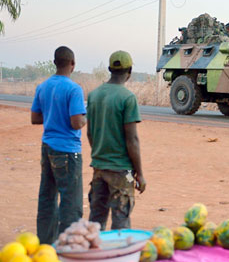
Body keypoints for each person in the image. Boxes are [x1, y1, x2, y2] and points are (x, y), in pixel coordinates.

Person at [31, 46, 87, 244]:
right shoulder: (74, 89)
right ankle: (68, 247)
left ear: (55, 63)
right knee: (71, 202)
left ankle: (46, 244)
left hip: (48, 147)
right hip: (68, 151)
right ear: (72, 64)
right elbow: (76, 122)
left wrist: (52, 115)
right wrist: (85, 117)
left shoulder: (43, 87)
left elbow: (35, 118)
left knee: (47, 197)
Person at [87, 50, 146, 230]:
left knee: (96, 221)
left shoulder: (94, 95)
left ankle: (93, 256)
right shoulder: (127, 98)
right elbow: (132, 139)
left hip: (99, 167)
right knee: (121, 221)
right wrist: (139, 173)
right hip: (122, 171)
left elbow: (90, 133)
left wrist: (101, 154)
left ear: (109, 69)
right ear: (129, 72)